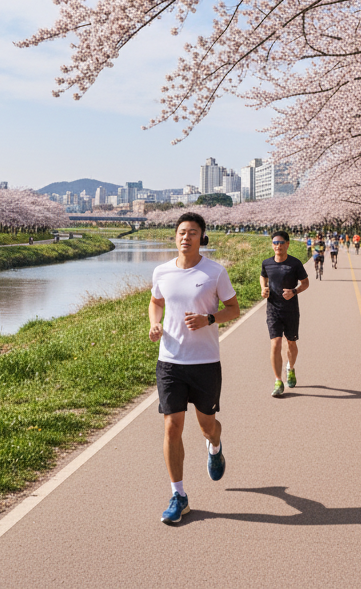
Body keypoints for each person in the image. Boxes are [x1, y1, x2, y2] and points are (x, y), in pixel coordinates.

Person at [149, 212, 240, 525]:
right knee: (172, 425)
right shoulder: (161, 271)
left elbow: (234, 309)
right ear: (174, 237)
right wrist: (154, 323)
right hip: (170, 361)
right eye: (181, 232)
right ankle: (179, 495)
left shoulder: (215, 272)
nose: (186, 237)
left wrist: (209, 319)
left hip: (204, 363)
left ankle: (215, 446)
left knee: (206, 426)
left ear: (203, 237)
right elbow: (155, 301)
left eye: (193, 232)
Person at [261, 230, 310, 397]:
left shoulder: (295, 264)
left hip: (291, 310)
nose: (278, 246)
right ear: (272, 245)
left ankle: (290, 367)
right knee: (275, 343)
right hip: (273, 309)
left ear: (287, 244)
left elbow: (305, 283)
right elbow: (263, 276)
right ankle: (278, 381)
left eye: (281, 243)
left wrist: (294, 292)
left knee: (291, 343)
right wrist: (263, 288)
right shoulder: (266, 263)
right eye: (275, 243)